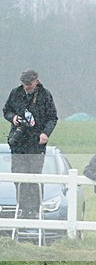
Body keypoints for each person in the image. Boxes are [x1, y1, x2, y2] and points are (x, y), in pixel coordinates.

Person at [2, 69, 58, 219]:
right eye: (24, 84)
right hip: (18, 143)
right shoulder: (15, 93)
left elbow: (53, 117)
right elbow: (6, 110)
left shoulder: (45, 95)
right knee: (18, 176)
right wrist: (13, 118)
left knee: (34, 176)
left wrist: (45, 133)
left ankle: (34, 209)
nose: (27, 87)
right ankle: (22, 207)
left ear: (36, 81)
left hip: (36, 143)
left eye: (30, 84)